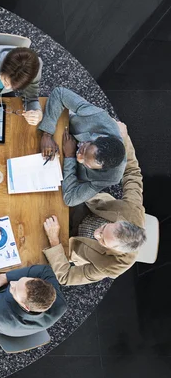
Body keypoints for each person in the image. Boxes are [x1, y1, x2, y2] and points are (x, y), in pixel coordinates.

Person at [42, 122, 147, 285]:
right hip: (83, 208)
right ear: (120, 222)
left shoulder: (114, 266)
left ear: (116, 251)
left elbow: (66, 277)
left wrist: (54, 240)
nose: (97, 233)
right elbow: (132, 173)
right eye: (104, 228)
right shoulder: (132, 211)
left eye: (103, 240)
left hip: (67, 242)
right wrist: (124, 138)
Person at [0, 226, 67, 337]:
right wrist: (7, 277)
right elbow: (45, 270)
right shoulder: (60, 305)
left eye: (15, 289)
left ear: (25, 306)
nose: (12, 283)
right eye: (19, 281)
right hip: (20, 324)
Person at [38, 87, 126, 207]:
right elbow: (60, 93)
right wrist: (47, 134)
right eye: (83, 150)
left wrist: (70, 157)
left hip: (63, 168)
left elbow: (70, 199)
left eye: (86, 164)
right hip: (60, 127)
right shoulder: (98, 117)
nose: (79, 158)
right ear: (97, 137)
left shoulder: (111, 177)